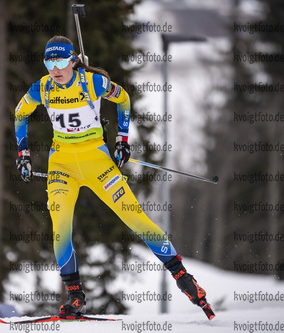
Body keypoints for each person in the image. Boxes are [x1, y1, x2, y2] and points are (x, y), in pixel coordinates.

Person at [14, 35, 214, 320]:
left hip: (97, 161)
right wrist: (22, 153)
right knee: (60, 230)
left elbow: (123, 99)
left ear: (72, 60)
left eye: (60, 61)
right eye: (49, 61)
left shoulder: (92, 82)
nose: (54, 68)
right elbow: (20, 114)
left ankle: (182, 275)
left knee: (135, 218)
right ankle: (75, 296)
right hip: (61, 166)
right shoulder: (42, 88)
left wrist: (122, 139)